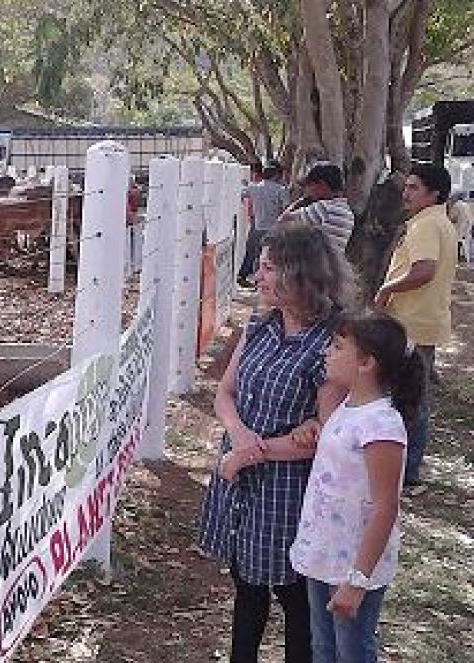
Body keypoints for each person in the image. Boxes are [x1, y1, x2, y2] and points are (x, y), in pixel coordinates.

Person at [199, 223, 354, 663]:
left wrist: (250, 454)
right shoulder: (259, 324)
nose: (257, 277)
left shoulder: (332, 342)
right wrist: (240, 438)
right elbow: (224, 393)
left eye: (268, 268)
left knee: (295, 597)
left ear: (300, 273)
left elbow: (324, 435)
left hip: (290, 490)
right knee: (246, 586)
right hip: (240, 471)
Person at [276, 311, 423, 663]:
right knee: (323, 648)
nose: (327, 352)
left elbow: (386, 507)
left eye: (338, 347)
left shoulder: (381, 425)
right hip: (323, 554)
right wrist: (310, 426)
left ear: (366, 363)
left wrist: (358, 580)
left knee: (351, 651)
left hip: (353, 566)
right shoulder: (346, 407)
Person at [373, 164, 458, 493]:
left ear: (433, 193)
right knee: (412, 396)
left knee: (411, 399)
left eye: (413, 188)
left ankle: (407, 474)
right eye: (405, 187)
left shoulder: (426, 226)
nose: (405, 194)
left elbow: (424, 270)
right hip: (423, 321)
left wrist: (386, 289)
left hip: (412, 324)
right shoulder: (439, 222)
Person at [279, 162, 354, 257]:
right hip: (332, 267)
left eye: (308, 185)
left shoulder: (324, 208)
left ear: (321, 185)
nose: (306, 190)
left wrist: (302, 200)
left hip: (314, 268)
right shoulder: (347, 211)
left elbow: (282, 221)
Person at [238, 162, 290, 287]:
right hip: (274, 228)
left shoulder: (254, 188)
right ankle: (264, 281)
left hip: (257, 226)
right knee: (270, 257)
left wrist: (245, 184)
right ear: (276, 176)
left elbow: (241, 193)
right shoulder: (281, 190)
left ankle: (243, 276)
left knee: (251, 253)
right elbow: (286, 208)